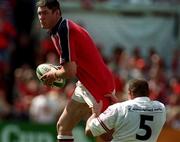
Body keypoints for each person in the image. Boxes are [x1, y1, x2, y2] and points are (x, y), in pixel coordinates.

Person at [36, 0, 116, 141]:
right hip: (86, 83)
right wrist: (57, 73)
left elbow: (70, 71)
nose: (41, 17)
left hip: (98, 86)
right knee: (63, 127)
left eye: (45, 13)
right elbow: (73, 68)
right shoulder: (57, 30)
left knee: (107, 136)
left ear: (57, 13)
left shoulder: (63, 29)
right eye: (39, 13)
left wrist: (53, 74)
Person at [85, 79, 166, 142]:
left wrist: (95, 114)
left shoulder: (119, 108)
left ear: (130, 93)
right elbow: (137, 113)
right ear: (148, 93)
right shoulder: (161, 108)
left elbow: (89, 132)